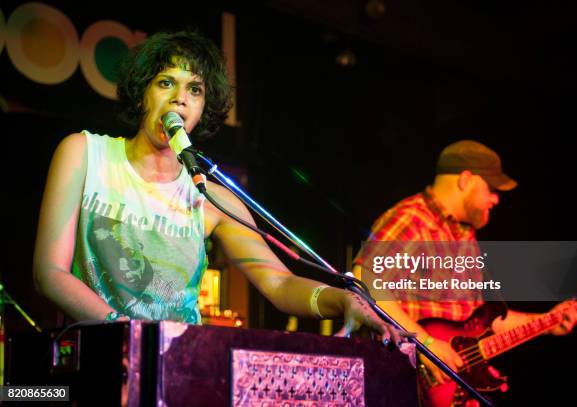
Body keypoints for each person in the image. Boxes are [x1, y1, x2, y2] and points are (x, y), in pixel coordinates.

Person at [32, 30, 404, 346]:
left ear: (203, 108)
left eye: (194, 89)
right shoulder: (85, 154)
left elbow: (277, 283)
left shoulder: (210, 196)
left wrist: (341, 301)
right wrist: (131, 334)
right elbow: (50, 272)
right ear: (142, 92)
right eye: (166, 83)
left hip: (179, 363)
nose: (180, 97)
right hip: (97, 357)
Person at [352, 140, 577, 403]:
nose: (496, 199)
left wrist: (548, 322)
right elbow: (363, 281)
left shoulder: (465, 237)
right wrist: (427, 345)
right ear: (465, 179)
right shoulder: (413, 219)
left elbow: (482, 321)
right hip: (402, 386)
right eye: (491, 188)